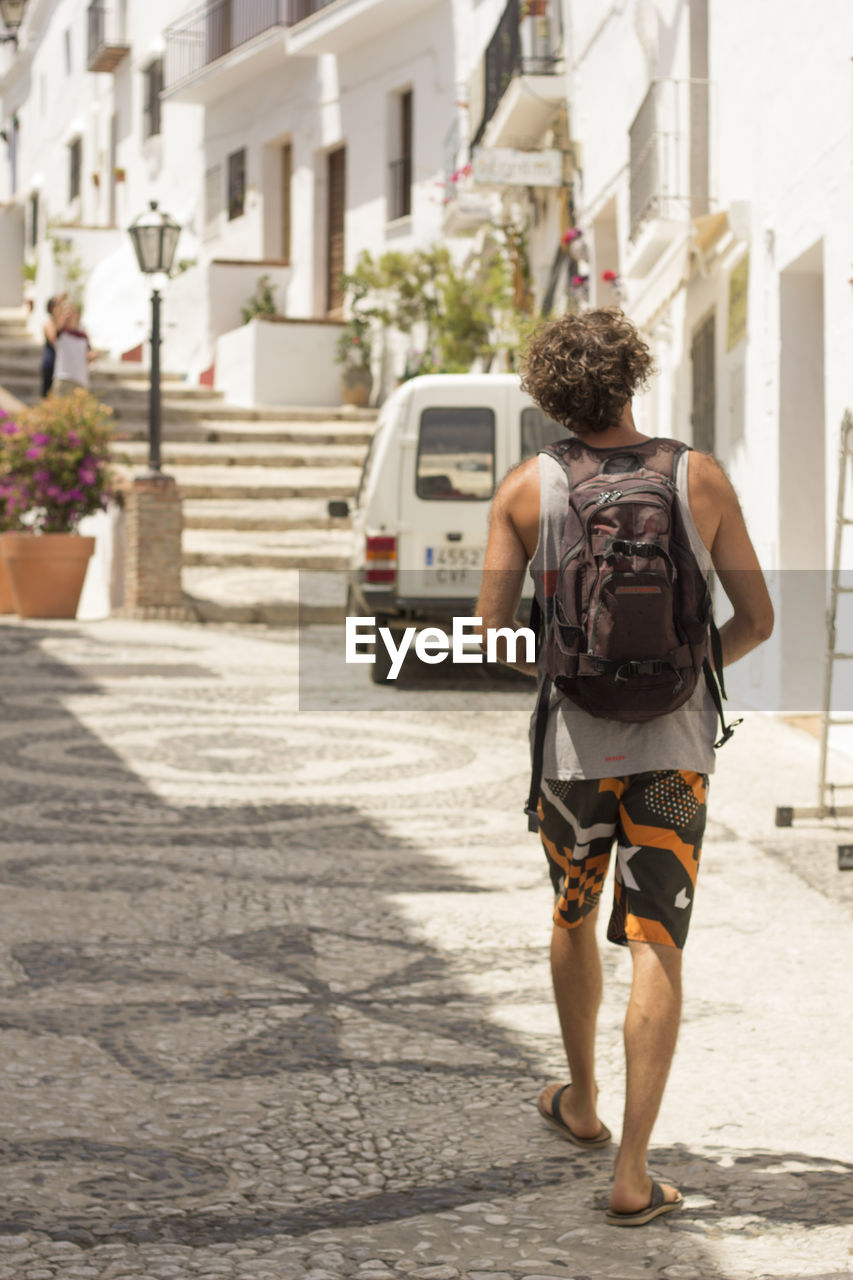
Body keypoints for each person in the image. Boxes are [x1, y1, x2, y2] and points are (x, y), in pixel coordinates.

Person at [475, 308, 773, 1227]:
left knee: (571, 915)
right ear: (633, 378)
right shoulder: (699, 477)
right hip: (674, 757)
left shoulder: (525, 489)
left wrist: (571, 674)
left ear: (549, 394)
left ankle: (581, 1101)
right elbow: (758, 619)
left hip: (572, 752)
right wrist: (684, 675)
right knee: (656, 941)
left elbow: (491, 638)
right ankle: (634, 1173)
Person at [52, 300, 96, 395]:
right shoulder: (61, 332)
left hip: (81, 379)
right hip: (64, 378)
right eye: (66, 313)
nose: (69, 315)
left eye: (71, 312)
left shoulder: (83, 334)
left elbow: (90, 351)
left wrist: (91, 356)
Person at [40, 295, 63, 397]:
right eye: (57, 305)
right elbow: (54, 340)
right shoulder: (48, 323)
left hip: (61, 363)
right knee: (47, 394)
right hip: (51, 362)